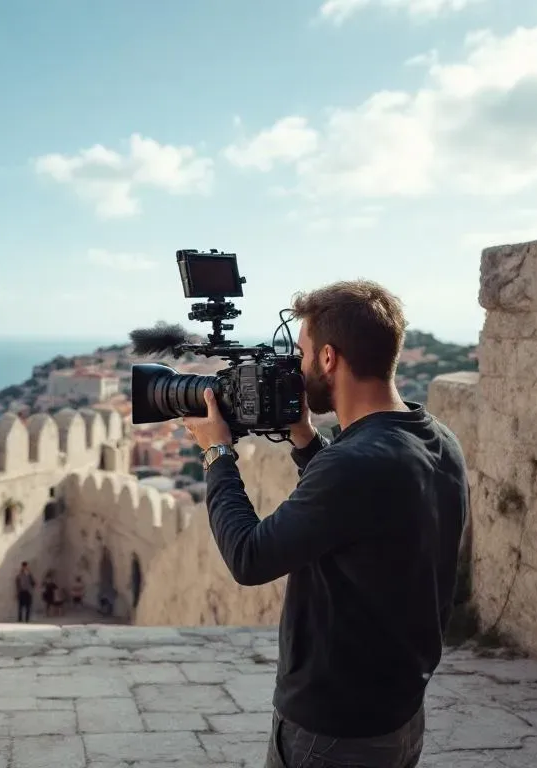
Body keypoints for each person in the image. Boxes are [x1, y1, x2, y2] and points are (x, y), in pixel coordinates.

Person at [181, 280, 467, 768]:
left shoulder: (355, 464)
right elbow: (358, 509)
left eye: (302, 352)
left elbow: (249, 557)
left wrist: (217, 453)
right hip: (396, 715)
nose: (295, 366)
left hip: (333, 731)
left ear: (329, 359)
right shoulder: (434, 437)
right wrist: (306, 440)